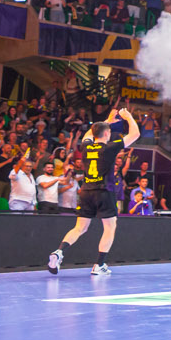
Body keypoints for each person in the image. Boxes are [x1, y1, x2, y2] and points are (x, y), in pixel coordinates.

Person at [47, 108, 139, 275]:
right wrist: (128, 117)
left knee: (79, 228)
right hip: (104, 191)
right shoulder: (110, 148)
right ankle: (99, 265)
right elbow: (135, 134)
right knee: (110, 227)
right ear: (107, 134)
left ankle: (59, 252)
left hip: (86, 191)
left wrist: (107, 121)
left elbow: (89, 133)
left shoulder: (86, 146)